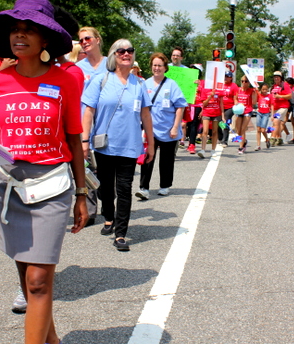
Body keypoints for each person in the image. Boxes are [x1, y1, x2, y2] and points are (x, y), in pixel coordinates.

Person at [0, 0, 88, 344]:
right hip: (10, 187)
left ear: (45, 39)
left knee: (37, 281)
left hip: (51, 186)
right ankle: (50, 341)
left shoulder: (65, 81)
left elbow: (74, 139)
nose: (20, 36)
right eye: (15, 30)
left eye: (29, 30)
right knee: (27, 279)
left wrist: (82, 194)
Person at [81, 39, 154, 252]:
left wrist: (150, 143)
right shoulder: (100, 80)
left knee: (124, 188)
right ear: (114, 55)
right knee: (105, 186)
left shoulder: (139, 84)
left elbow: (146, 115)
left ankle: (121, 233)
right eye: (121, 51)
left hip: (129, 145)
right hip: (104, 144)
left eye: (130, 51)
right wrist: (85, 140)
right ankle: (109, 217)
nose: (126, 54)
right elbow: (88, 112)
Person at [136, 53, 187, 199]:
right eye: (154, 65)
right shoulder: (145, 84)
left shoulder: (172, 85)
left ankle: (165, 185)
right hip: (149, 129)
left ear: (165, 68)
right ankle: (144, 187)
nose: (156, 68)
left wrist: (175, 127)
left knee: (167, 160)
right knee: (147, 158)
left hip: (168, 129)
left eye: (159, 65)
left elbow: (180, 107)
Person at [76, 26, 106, 226]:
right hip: (84, 125)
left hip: (105, 124)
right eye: (81, 40)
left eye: (88, 38)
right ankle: (90, 210)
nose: (84, 42)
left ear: (97, 40)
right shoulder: (78, 68)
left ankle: (108, 201)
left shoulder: (110, 65)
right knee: (86, 168)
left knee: (104, 170)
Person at [197, 77, 224, 158]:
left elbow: (221, 104)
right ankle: (203, 149)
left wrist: (223, 115)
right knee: (205, 131)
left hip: (216, 113)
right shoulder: (205, 90)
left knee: (215, 132)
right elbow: (204, 104)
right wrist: (210, 96)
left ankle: (213, 150)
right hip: (206, 112)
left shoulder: (219, 90)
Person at [234, 76, 256, 154]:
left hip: (247, 110)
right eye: (242, 81)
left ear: (249, 83)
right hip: (239, 111)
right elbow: (235, 98)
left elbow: (254, 102)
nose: (244, 83)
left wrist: (255, 92)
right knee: (238, 129)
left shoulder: (251, 90)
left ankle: (241, 147)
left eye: (246, 81)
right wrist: (236, 102)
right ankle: (244, 141)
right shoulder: (238, 89)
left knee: (243, 129)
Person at [270, 71, 291, 146]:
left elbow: (289, 95)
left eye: (277, 77)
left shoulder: (285, 85)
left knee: (276, 121)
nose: (276, 78)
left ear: (281, 78)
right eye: (275, 77)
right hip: (275, 107)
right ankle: (279, 139)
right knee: (277, 123)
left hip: (283, 107)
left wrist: (280, 96)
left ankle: (272, 138)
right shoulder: (273, 86)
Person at [219, 71, 239, 147]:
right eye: (225, 76)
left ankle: (224, 141)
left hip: (229, 107)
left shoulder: (234, 86)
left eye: (228, 76)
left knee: (225, 121)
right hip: (220, 106)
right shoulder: (220, 84)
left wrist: (236, 102)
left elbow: (235, 97)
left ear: (231, 78)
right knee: (218, 122)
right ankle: (220, 138)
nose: (226, 78)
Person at [255, 82, 272, 150]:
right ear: (261, 90)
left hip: (266, 113)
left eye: (266, 89)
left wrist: (273, 115)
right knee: (258, 129)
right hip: (259, 113)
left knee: (263, 130)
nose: (264, 91)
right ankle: (258, 145)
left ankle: (267, 139)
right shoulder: (258, 95)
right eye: (263, 89)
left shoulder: (270, 96)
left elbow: (272, 105)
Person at [285, 77, 294, 144]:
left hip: (293, 106)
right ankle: (293, 137)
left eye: (287, 84)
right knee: (293, 122)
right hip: (291, 106)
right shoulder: (292, 88)